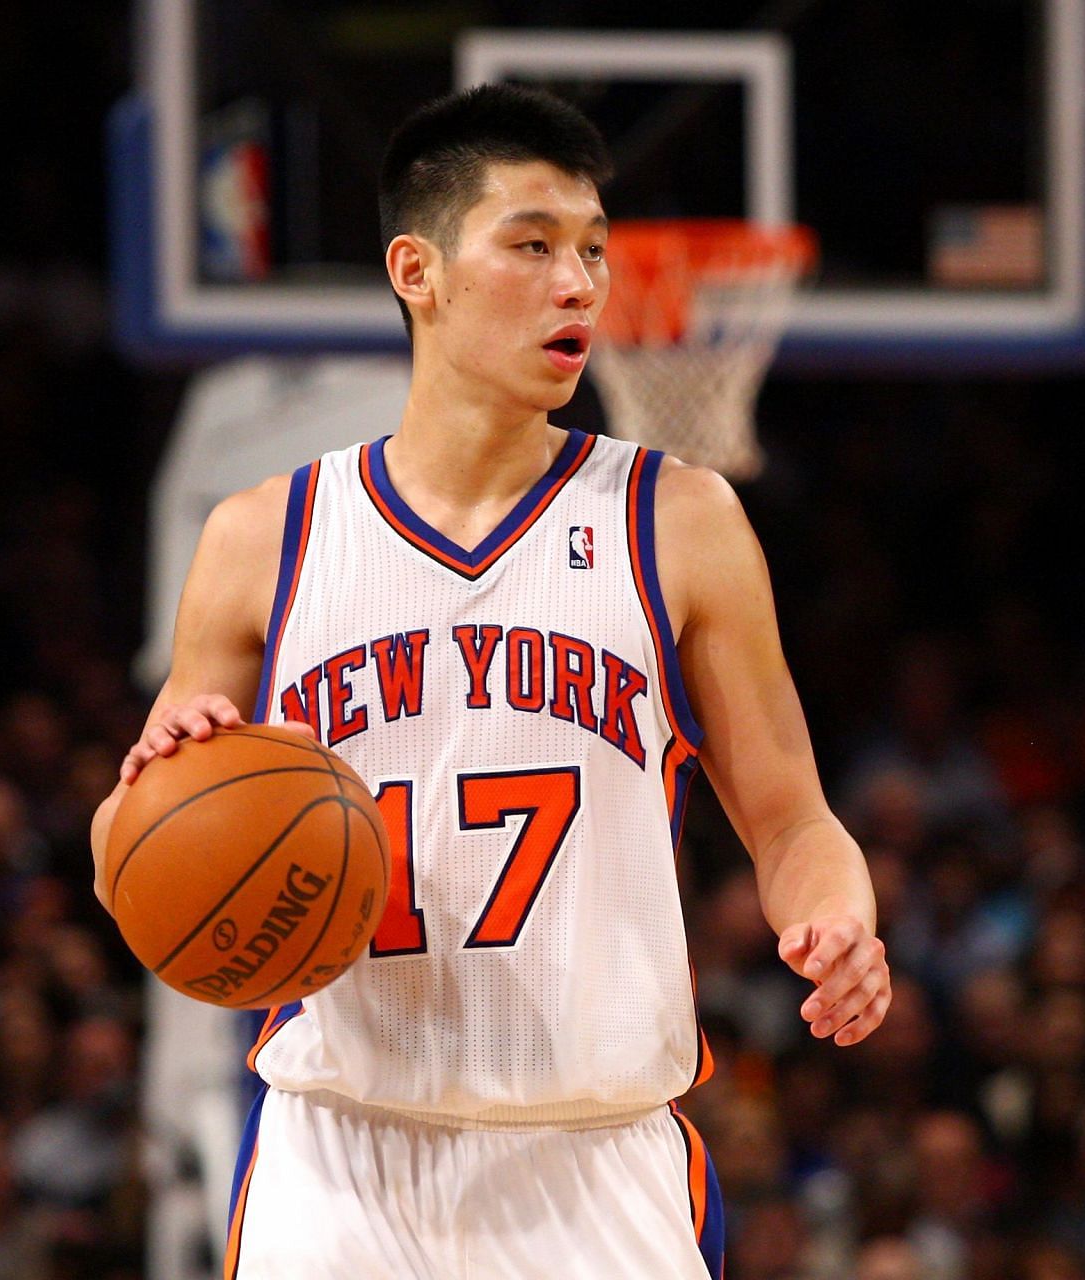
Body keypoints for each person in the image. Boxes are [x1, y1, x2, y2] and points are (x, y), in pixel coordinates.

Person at [89, 83, 890, 1278]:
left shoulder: (681, 520)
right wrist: (160, 776)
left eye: (593, 251)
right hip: (341, 1150)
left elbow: (792, 823)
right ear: (418, 270)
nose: (579, 284)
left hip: (594, 1155)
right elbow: (126, 849)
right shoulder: (266, 535)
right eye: (531, 246)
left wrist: (838, 916)